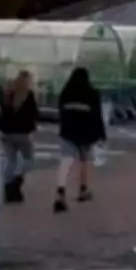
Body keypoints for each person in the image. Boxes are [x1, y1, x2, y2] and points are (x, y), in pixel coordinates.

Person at [53, 67, 106, 213]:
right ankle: (83, 189)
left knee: (66, 162)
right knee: (84, 161)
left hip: (68, 132)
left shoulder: (66, 93)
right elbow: (97, 116)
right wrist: (101, 135)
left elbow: (60, 112)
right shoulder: (92, 94)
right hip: (86, 134)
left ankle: (60, 192)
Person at [0, 69, 39, 204]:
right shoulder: (28, 95)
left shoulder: (5, 93)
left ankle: (8, 186)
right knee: (29, 160)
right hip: (22, 133)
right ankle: (16, 181)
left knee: (11, 160)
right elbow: (34, 113)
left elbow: (1, 109)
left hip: (6, 132)